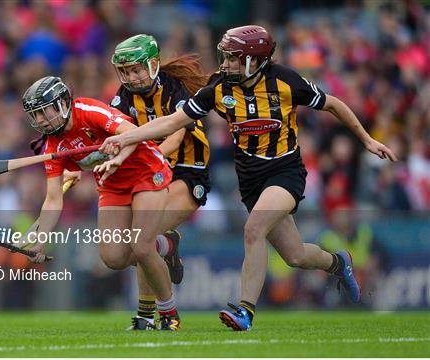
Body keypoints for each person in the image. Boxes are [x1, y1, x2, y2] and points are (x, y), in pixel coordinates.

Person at [100, 25, 397, 331]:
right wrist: (126, 138)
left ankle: (245, 311)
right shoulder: (218, 89)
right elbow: (172, 122)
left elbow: (333, 104)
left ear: (254, 60)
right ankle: (338, 262)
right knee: (295, 255)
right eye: (225, 57)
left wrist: (366, 140)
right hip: (250, 179)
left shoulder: (285, 81)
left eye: (232, 58)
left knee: (253, 228)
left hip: (285, 171)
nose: (224, 64)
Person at [21, 75, 181, 330]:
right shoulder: (53, 145)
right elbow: (53, 199)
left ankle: (169, 314)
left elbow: (133, 134)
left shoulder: (89, 111)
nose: (39, 120)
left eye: (43, 112)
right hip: (111, 184)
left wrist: (118, 156)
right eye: (35, 115)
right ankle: (165, 245)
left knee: (141, 247)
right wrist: (40, 242)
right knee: (113, 258)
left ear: (62, 104)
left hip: (146, 170)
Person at [110, 34, 211, 330]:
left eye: (137, 69)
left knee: (142, 240)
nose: (132, 77)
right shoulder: (122, 98)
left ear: (153, 65)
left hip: (187, 171)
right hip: (149, 176)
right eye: (126, 71)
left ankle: (153, 317)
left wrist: (149, 155)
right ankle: (168, 245)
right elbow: (113, 134)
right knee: (130, 249)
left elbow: (177, 133)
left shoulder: (174, 88)